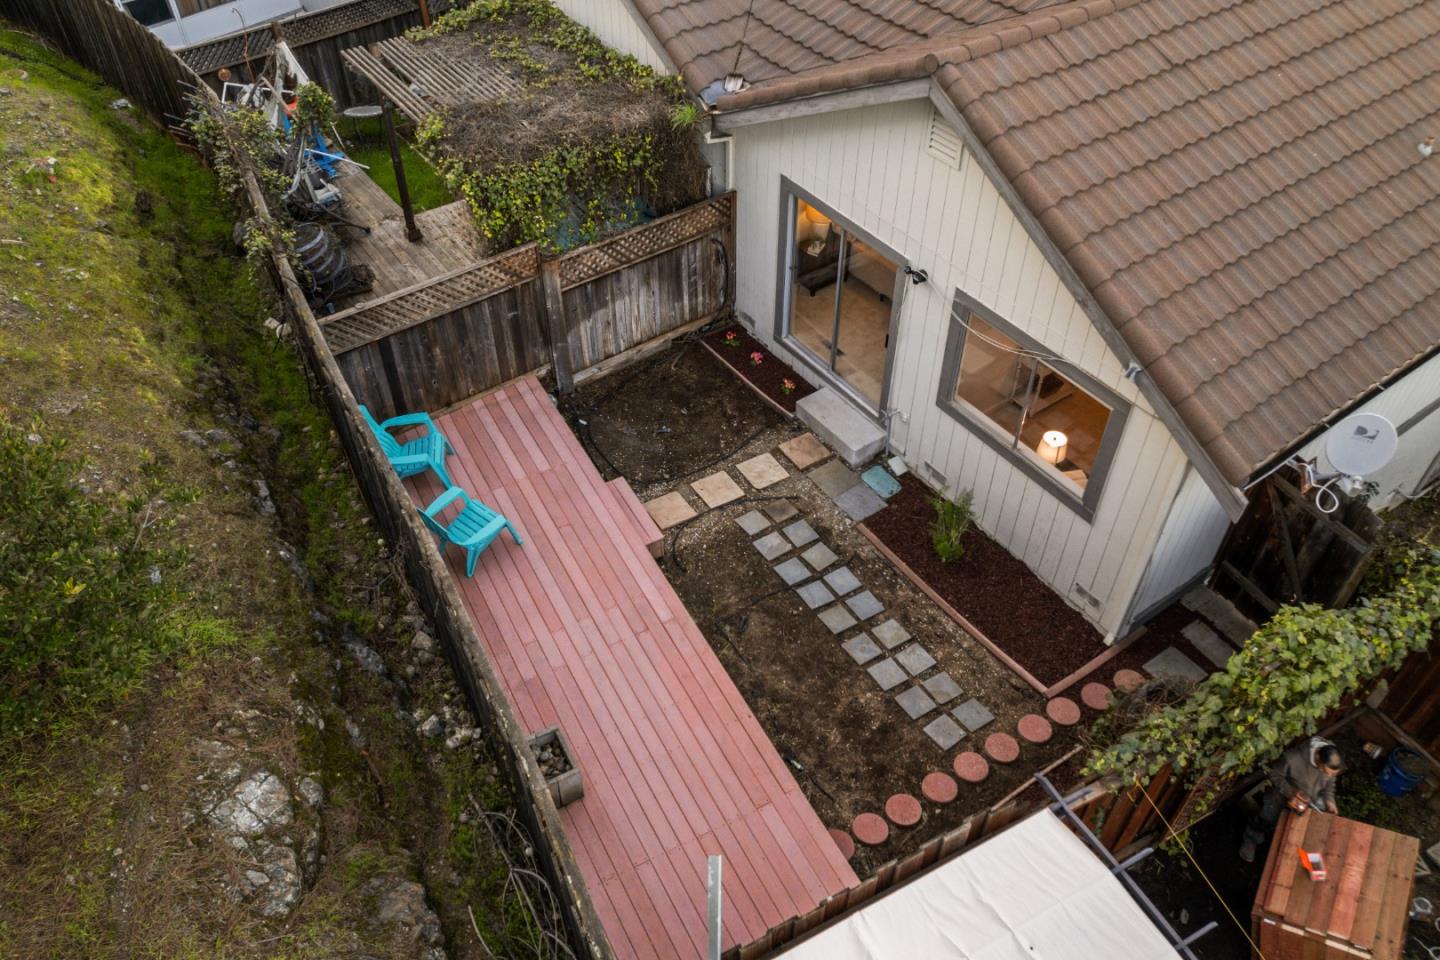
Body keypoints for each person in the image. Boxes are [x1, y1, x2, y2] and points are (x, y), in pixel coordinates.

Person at [1239, 737, 1344, 863]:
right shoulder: (1292, 758)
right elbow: (1273, 773)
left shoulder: (1331, 755)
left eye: (1331, 774)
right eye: (1325, 771)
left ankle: (1279, 845)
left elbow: (1330, 781)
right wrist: (1290, 793)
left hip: (1306, 800)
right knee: (1267, 818)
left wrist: (1329, 799)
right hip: (1279, 796)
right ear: (1317, 758)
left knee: (1298, 828)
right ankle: (1251, 840)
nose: (1328, 775)